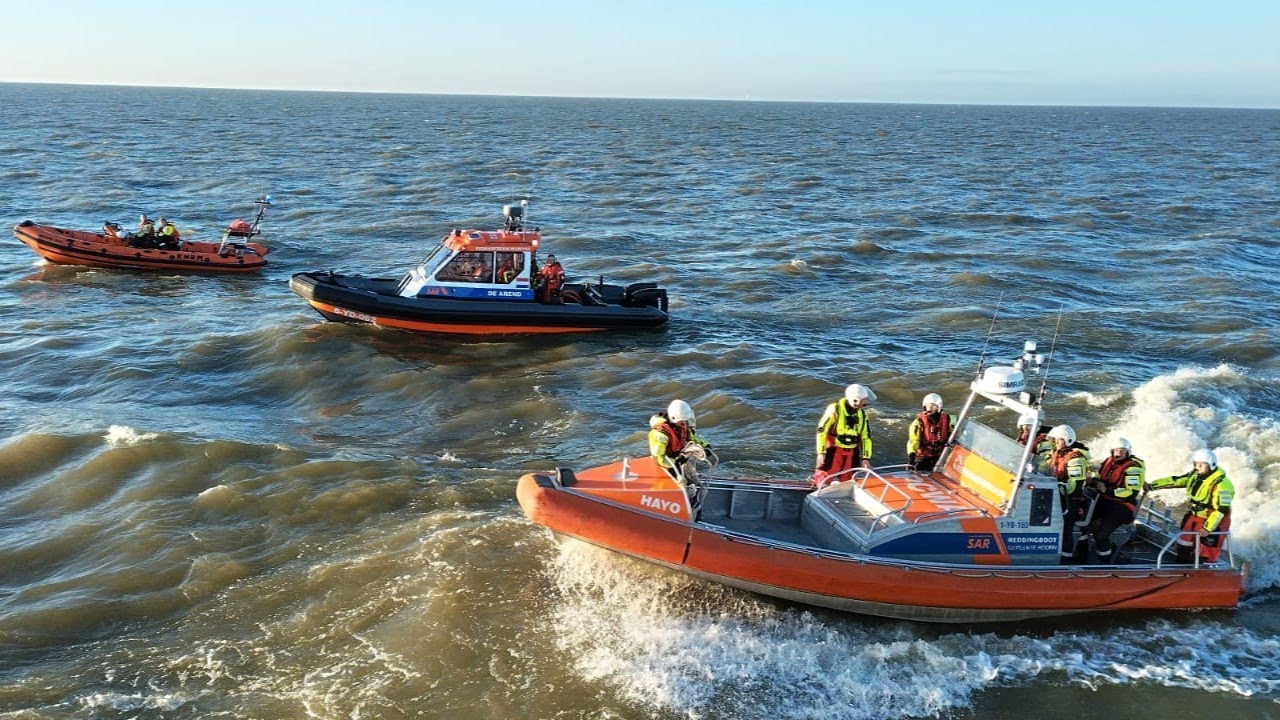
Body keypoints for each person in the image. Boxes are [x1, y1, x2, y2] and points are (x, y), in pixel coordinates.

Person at [1147, 449, 1234, 565]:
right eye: (1195, 464)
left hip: (1215, 521)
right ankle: (1180, 568)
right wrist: (1152, 486)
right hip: (1195, 517)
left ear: (1211, 465)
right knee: (1184, 544)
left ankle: (1203, 575)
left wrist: (1208, 528)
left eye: (1201, 465)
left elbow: (1222, 510)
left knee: (1205, 554)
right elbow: (1175, 481)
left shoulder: (1222, 486)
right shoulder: (1195, 476)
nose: (1197, 467)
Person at [1086, 438, 1145, 563]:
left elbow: (1131, 491)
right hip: (1105, 501)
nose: (1119, 453)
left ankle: (1105, 562)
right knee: (1083, 524)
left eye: (1122, 450)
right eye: (1116, 450)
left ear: (1128, 452)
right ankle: (1081, 554)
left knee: (1100, 535)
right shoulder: (1108, 461)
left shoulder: (1133, 468)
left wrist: (1108, 491)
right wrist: (1093, 481)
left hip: (1122, 506)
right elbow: (1099, 476)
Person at [649, 399, 716, 499]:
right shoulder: (660, 434)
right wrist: (675, 462)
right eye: (682, 421)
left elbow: (694, 438)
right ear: (674, 419)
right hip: (666, 467)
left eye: (685, 421)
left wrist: (705, 446)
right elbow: (659, 457)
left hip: (678, 462)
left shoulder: (682, 427)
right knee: (683, 490)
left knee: (693, 482)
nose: (685, 423)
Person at [1046, 424, 1092, 564]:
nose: (1055, 442)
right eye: (1055, 440)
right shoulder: (1056, 454)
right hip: (1058, 498)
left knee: (1065, 529)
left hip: (1071, 501)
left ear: (1068, 440)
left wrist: (1054, 487)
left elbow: (1073, 487)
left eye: (1058, 440)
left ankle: (1066, 561)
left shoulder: (1075, 460)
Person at [814, 383, 875, 486]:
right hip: (834, 449)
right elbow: (821, 431)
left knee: (848, 478)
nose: (865, 403)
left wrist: (865, 458)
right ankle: (819, 487)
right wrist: (821, 452)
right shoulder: (835, 410)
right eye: (864, 401)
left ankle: (842, 490)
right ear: (855, 400)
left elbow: (866, 437)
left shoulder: (862, 415)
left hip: (851, 451)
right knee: (825, 475)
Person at [906, 393, 951, 471]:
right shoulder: (918, 422)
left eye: (933, 405)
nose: (929, 408)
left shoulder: (947, 419)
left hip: (941, 456)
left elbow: (954, 432)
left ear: (939, 407)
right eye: (927, 406)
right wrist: (911, 459)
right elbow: (913, 441)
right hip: (924, 457)